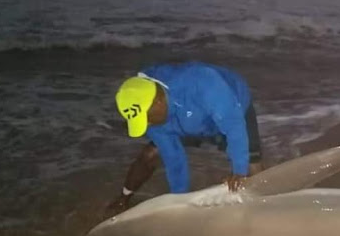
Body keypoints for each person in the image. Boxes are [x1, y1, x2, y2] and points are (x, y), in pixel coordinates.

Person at [105, 61, 264, 218]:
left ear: (158, 102)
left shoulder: (201, 82)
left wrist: (239, 170)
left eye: (147, 119)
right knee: (150, 154)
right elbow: (174, 160)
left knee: (250, 167)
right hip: (187, 121)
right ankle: (124, 197)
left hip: (233, 107)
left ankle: (263, 209)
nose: (148, 125)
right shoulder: (150, 113)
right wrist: (179, 201)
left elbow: (234, 125)